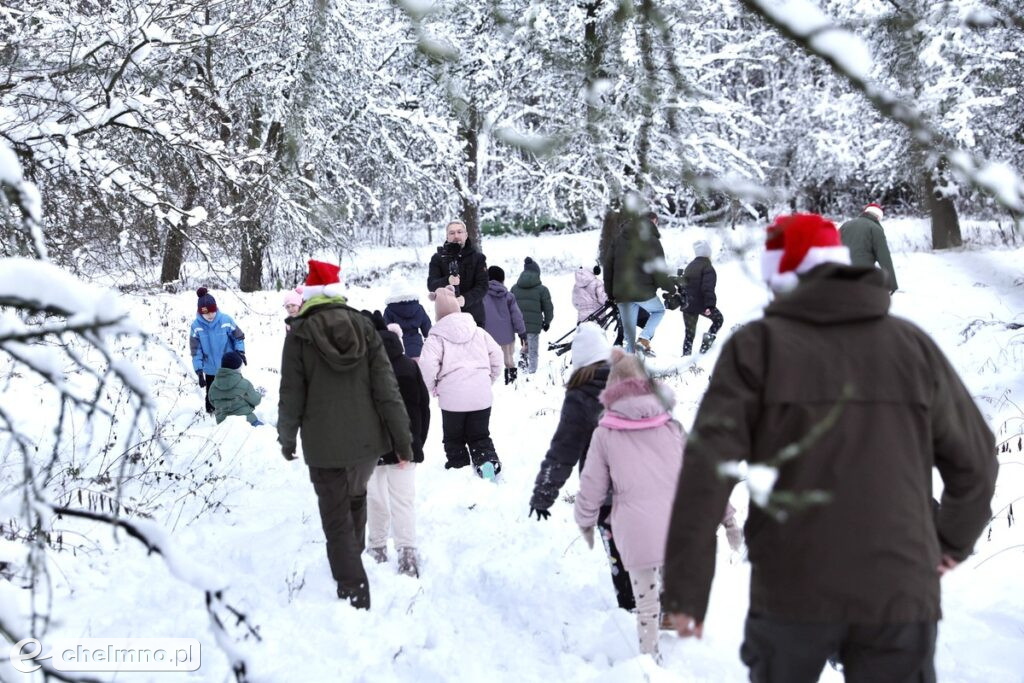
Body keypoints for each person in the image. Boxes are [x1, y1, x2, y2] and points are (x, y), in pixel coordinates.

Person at [661, 213, 998, 682]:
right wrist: (947, 543)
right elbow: (977, 462)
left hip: (789, 587)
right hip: (899, 588)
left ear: (779, 277)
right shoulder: (911, 346)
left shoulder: (754, 350)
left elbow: (705, 472)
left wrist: (686, 588)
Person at [277, 260, 414, 610]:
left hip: (323, 446)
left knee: (335, 517)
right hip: (367, 443)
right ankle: (353, 562)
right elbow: (387, 390)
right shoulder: (365, 327)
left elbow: (292, 392)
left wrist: (287, 436)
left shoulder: (300, 334)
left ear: (309, 297)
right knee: (355, 498)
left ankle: (354, 589)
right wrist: (402, 441)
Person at [574, 349, 684, 661]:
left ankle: (650, 662)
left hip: (635, 528)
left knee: (645, 601)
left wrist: (585, 520)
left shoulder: (605, 433)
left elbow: (591, 486)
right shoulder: (671, 426)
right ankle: (672, 619)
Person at [529, 322, 636, 610]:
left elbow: (564, 450)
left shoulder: (581, 395)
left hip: (608, 495)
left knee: (620, 556)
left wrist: (544, 492)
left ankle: (631, 610)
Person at [362, 314, 430, 579]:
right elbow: (421, 410)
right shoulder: (406, 366)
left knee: (377, 499)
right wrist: (414, 444)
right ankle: (405, 553)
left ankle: (379, 548)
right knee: (402, 501)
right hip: (402, 447)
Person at [419, 287, 504, 479]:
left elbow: (426, 367)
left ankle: (459, 473)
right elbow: (497, 356)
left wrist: (432, 387)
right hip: (481, 396)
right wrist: (488, 379)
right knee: (480, 436)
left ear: (438, 313)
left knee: (454, 439)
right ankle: (487, 466)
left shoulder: (436, 338)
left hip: (452, 399)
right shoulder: (479, 332)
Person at [602, 210, 672, 355]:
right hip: (643, 292)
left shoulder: (618, 240)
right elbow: (659, 271)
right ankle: (644, 338)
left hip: (621, 294)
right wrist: (670, 288)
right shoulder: (652, 240)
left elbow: (608, 268)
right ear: (653, 222)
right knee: (658, 310)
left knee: (629, 337)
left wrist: (610, 294)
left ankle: (628, 368)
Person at [190, 287, 246, 414]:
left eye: (212, 311)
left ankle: (240, 410)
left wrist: (240, 352)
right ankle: (212, 417)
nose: (210, 315)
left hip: (229, 365)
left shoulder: (226, 320)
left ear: (216, 308)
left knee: (236, 389)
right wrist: (199, 371)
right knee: (212, 396)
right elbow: (195, 350)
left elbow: (238, 337)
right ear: (200, 312)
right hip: (210, 368)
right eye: (206, 313)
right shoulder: (196, 327)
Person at [426, 220, 489, 327]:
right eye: (452, 233)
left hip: (474, 318)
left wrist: (465, 299)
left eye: (460, 232)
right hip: (447, 318)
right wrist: (447, 280)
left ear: (466, 235)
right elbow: (432, 285)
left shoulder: (478, 258)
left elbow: (483, 286)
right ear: (447, 236)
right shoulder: (437, 258)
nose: (456, 236)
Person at [839, 203, 899, 294]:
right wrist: (891, 284)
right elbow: (884, 257)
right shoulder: (875, 228)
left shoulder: (845, 225)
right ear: (878, 216)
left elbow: (833, 246)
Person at [482, 265, 527, 385]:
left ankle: (488, 384)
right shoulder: (508, 296)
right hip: (507, 337)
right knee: (509, 360)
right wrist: (522, 333)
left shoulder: (481, 296)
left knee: (488, 362)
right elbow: (516, 316)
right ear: (502, 280)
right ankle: (511, 383)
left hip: (488, 337)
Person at [680, 240, 724, 355]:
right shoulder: (707, 267)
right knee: (718, 319)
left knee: (689, 333)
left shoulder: (690, 266)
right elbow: (707, 288)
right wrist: (710, 305)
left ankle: (686, 355)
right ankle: (704, 348)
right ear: (707, 254)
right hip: (701, 304)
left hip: (687, 304)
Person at [511, 257, 554, 375]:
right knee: (533, 350)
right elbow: (548, 308)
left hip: (518, 324)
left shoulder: (514, 288)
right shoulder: (542, 290)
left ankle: (522, 367)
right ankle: (532, 373)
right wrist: (547, 321)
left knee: (525, 344)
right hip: (534, 325)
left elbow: (509, 306)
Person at [208, 351, 263, 426]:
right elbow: (256, 401)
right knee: (267, 433)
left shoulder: (213, 386)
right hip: (246, 422)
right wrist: (259, 394)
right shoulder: (245, 384)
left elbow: (212, 402)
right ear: (236, 367)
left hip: (223, 425)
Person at [383, 279, 432, 359]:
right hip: (417, 346)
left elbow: (386, 330)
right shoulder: (418, 307)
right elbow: (427, 329)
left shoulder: (389, 310)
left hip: (399, 348)